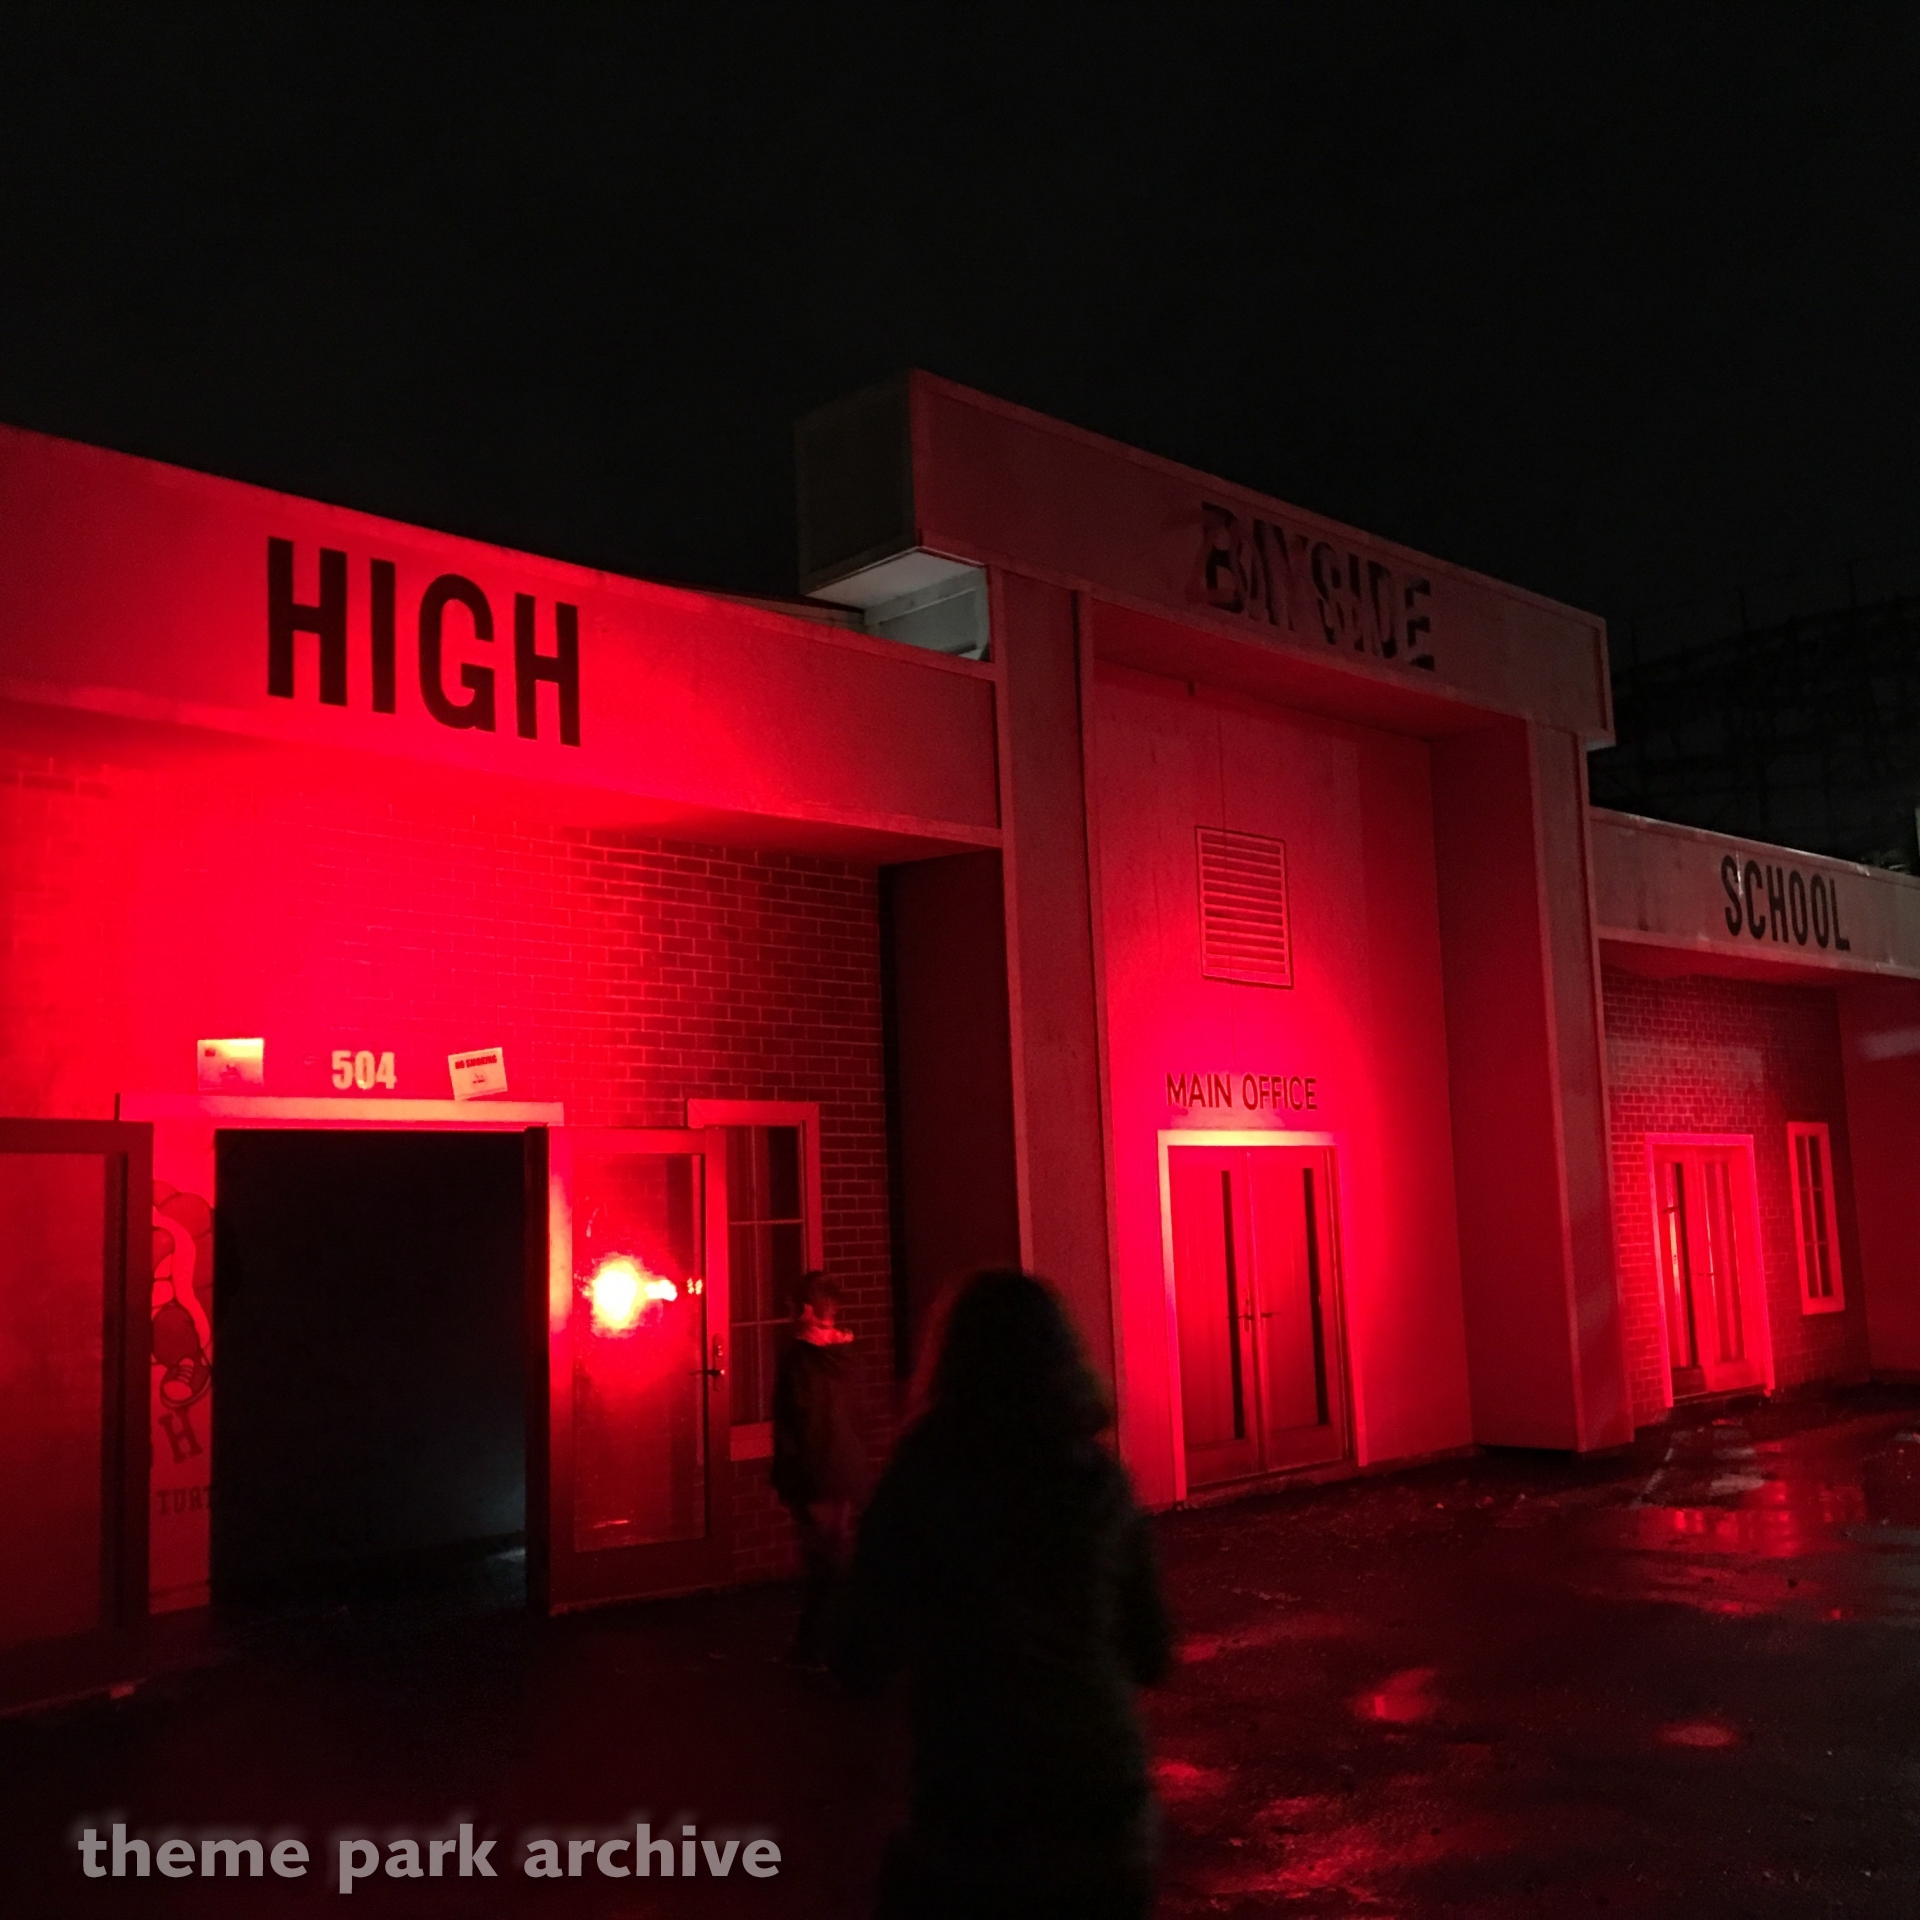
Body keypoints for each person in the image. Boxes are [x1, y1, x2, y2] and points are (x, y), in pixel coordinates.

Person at [833, 1269, 1173, 1920]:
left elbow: (858, 1655)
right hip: (1103, 1808)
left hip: (978, 1810)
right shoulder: (1098, 1480)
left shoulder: (926, 1478)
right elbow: (1152, 1650)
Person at [770, 1267, 866, 1666]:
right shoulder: (846, 1358)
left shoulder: (800, 1363)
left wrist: (792, 1482)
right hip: (846, 1470)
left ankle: (816, 1651)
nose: (790, 1313)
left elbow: (798, 1425)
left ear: (808, 1310)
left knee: (821, 1566)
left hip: (815, 1474)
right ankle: (835, 1647)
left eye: (795, 1306)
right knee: (837, 1561)